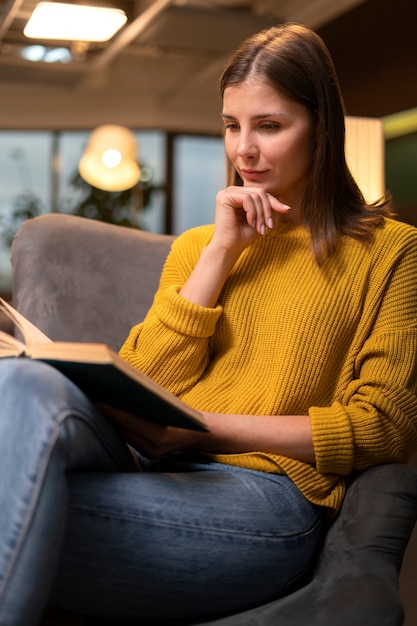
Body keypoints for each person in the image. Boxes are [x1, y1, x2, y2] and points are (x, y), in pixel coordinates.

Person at [1, 22, 417, 626]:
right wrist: (220, 256)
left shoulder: (391, 251)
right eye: (231, 125)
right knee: (23, 384)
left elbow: (384, 428)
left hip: (267, 498)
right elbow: (141, 381)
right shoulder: (203, 244)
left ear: (322, 126)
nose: (242, 149)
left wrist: (203, 432)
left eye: (268, 126)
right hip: (147, 463)